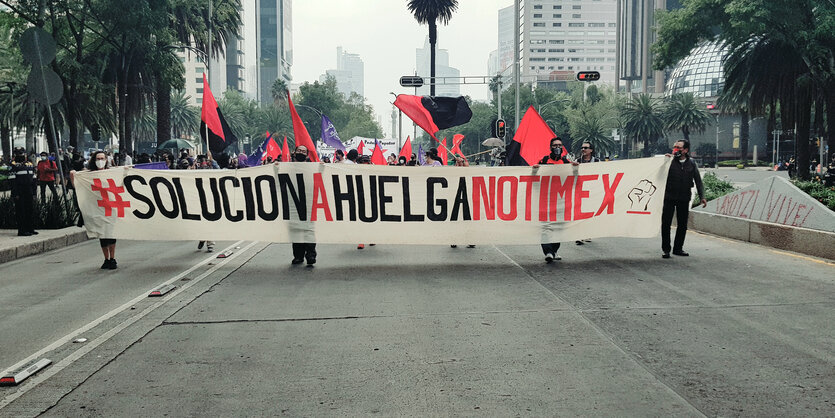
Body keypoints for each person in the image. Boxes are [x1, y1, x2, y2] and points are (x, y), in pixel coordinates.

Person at [533, 137, 579, 263]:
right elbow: (533, 176)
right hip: (545, 199)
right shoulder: (544, 161)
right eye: (555, 145)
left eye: (560, 145)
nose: (557, 147)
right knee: (546, 226)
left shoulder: (566, 162)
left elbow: (575, 178)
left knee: (559, 226)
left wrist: (575, 168)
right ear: (550, 147)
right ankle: (548, 251)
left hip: (561, 200)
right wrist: (535, 170)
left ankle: (554, 250)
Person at [71, 150, 118, 269]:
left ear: (106, 160)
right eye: (98, 159)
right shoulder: (88, 175)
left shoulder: (111, 173)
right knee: (102, 235)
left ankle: (113, 258)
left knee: (111, 233)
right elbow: (77, 186)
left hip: (110, 207)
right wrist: (73, 175)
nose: (100, 161)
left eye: (102, 158)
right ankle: (106, 259)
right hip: (96, 208)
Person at [662, 139, 706, 259]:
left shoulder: (691, 163)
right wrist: (665, 160)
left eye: (679, 147)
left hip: (684, 197)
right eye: (674, 147)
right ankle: (666, 249)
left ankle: (678, 248)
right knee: (666, 224)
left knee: (682, 225)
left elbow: (698, 181)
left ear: (686, 150)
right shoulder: (669, 161)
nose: (675, 149)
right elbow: (658, 175)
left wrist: (702, 197)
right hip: (669, 197)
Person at [290, 145, 317, 265]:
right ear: (294, 153)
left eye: (303, 151)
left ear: (307, 155)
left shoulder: (312, 168)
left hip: (309, 202)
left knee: (309, 229)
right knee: (295, 230)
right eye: (299, 151)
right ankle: (298, 256)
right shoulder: (287, 167)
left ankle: (311, 254)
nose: (301, 152)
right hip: (292, 203)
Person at [575, 142, 599, 245]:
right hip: (580, 190)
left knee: (589, 213)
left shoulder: (597, 162)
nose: (583, 149)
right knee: (579, 212)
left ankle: (587, 233)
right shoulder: (577, 161)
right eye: (582, 147)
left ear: (591, 150)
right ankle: (579, 235)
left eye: (585, 147)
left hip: (592, 190)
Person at [10, 147, 37, 236]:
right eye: (18, 154)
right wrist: (15, 194)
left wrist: (34, 193)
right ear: (15, 155)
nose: (20, 155)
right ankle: (22, 230)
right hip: (19, 191)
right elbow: (12, 181)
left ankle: (30, 229)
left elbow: (34, 179)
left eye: (21, 153)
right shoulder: (13, 165)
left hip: (29, 190)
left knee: (30, 210)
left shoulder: (30, 164)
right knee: (21, 211)